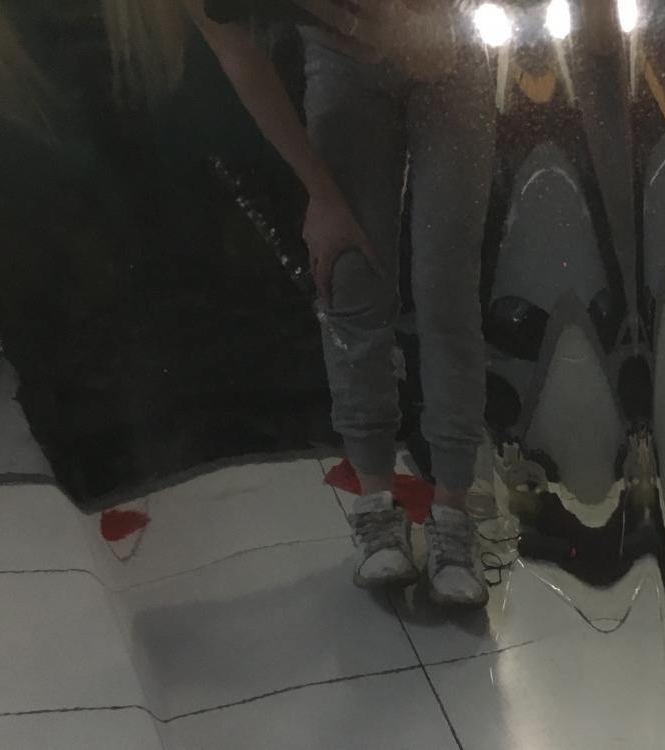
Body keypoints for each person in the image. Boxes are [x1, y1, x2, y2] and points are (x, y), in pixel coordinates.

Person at [181, 0, 496, 606]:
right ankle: (376, 504)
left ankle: (454, 510)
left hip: (448, 39)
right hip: (343, 63)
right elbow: (235, 49)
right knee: (349, 276)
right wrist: (319, 193)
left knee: (447, 285)